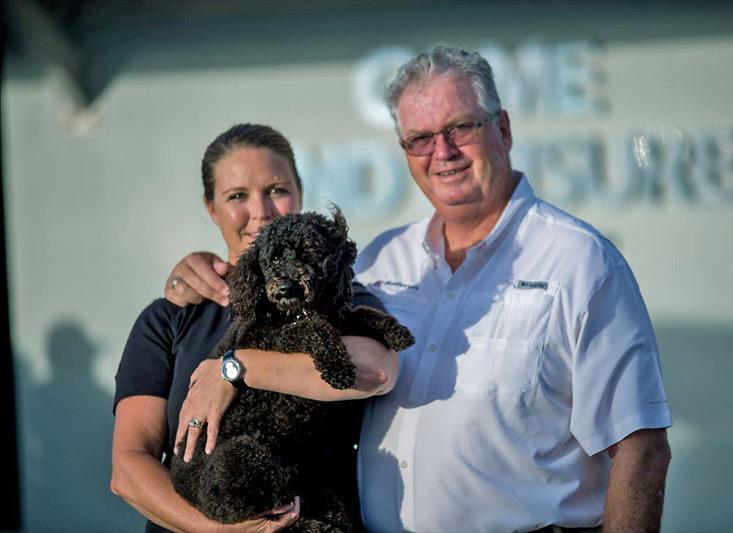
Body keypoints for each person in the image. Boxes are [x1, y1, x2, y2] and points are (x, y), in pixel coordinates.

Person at [169, 47, 673, 532]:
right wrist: (198, 272)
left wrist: (236, 366)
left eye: (460, 128)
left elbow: (640, 445)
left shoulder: (582, 260)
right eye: (421, 138)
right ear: (405, 152)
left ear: (503, 128)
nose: (443, 152)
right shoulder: (379, 260)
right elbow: (288, 324)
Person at [111, 123, 399, 533]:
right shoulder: (169, 318)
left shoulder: (340, 297)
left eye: (277, 190)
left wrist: (235, 369)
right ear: (211, 208)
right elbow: (128, 469)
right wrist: (222, 530)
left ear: (300, 193)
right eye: (237, 196)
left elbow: (377, 370)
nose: (261, 211)